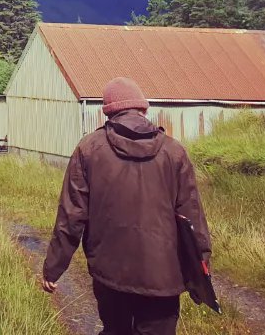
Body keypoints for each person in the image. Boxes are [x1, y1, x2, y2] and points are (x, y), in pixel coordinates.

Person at [41, 76, 211, 335]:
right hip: (162, 277)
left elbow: (71, 217)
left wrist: (53, 268)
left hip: (110, 275)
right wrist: (201, 273)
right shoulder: (174, 152)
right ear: (143, 109)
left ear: (108, 113)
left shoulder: (89, 149)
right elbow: (192, 219)